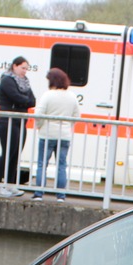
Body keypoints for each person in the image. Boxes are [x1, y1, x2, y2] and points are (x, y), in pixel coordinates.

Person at [32, 68, 80, 201]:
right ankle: (60, 196)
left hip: (47, 134)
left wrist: (40, 126)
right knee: (61, 165)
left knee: (42, 164)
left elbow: (38, 114)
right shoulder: (72, 96)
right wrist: (68, 126)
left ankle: (39, 194)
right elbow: (77, 115)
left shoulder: (48, 95)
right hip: (64, 135)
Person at [0, 56, 36, 198]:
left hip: (20, 120)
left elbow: (32, 100)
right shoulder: (7, 80)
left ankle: (10, 185)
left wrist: (25, 101)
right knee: (8, 152)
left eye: (26, 69)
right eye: (23, 68)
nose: (25, 71)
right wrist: (25, 101)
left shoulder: (25, 82)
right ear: (15, 66)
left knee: (16, 153)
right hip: (8, 121)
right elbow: (17, 97)